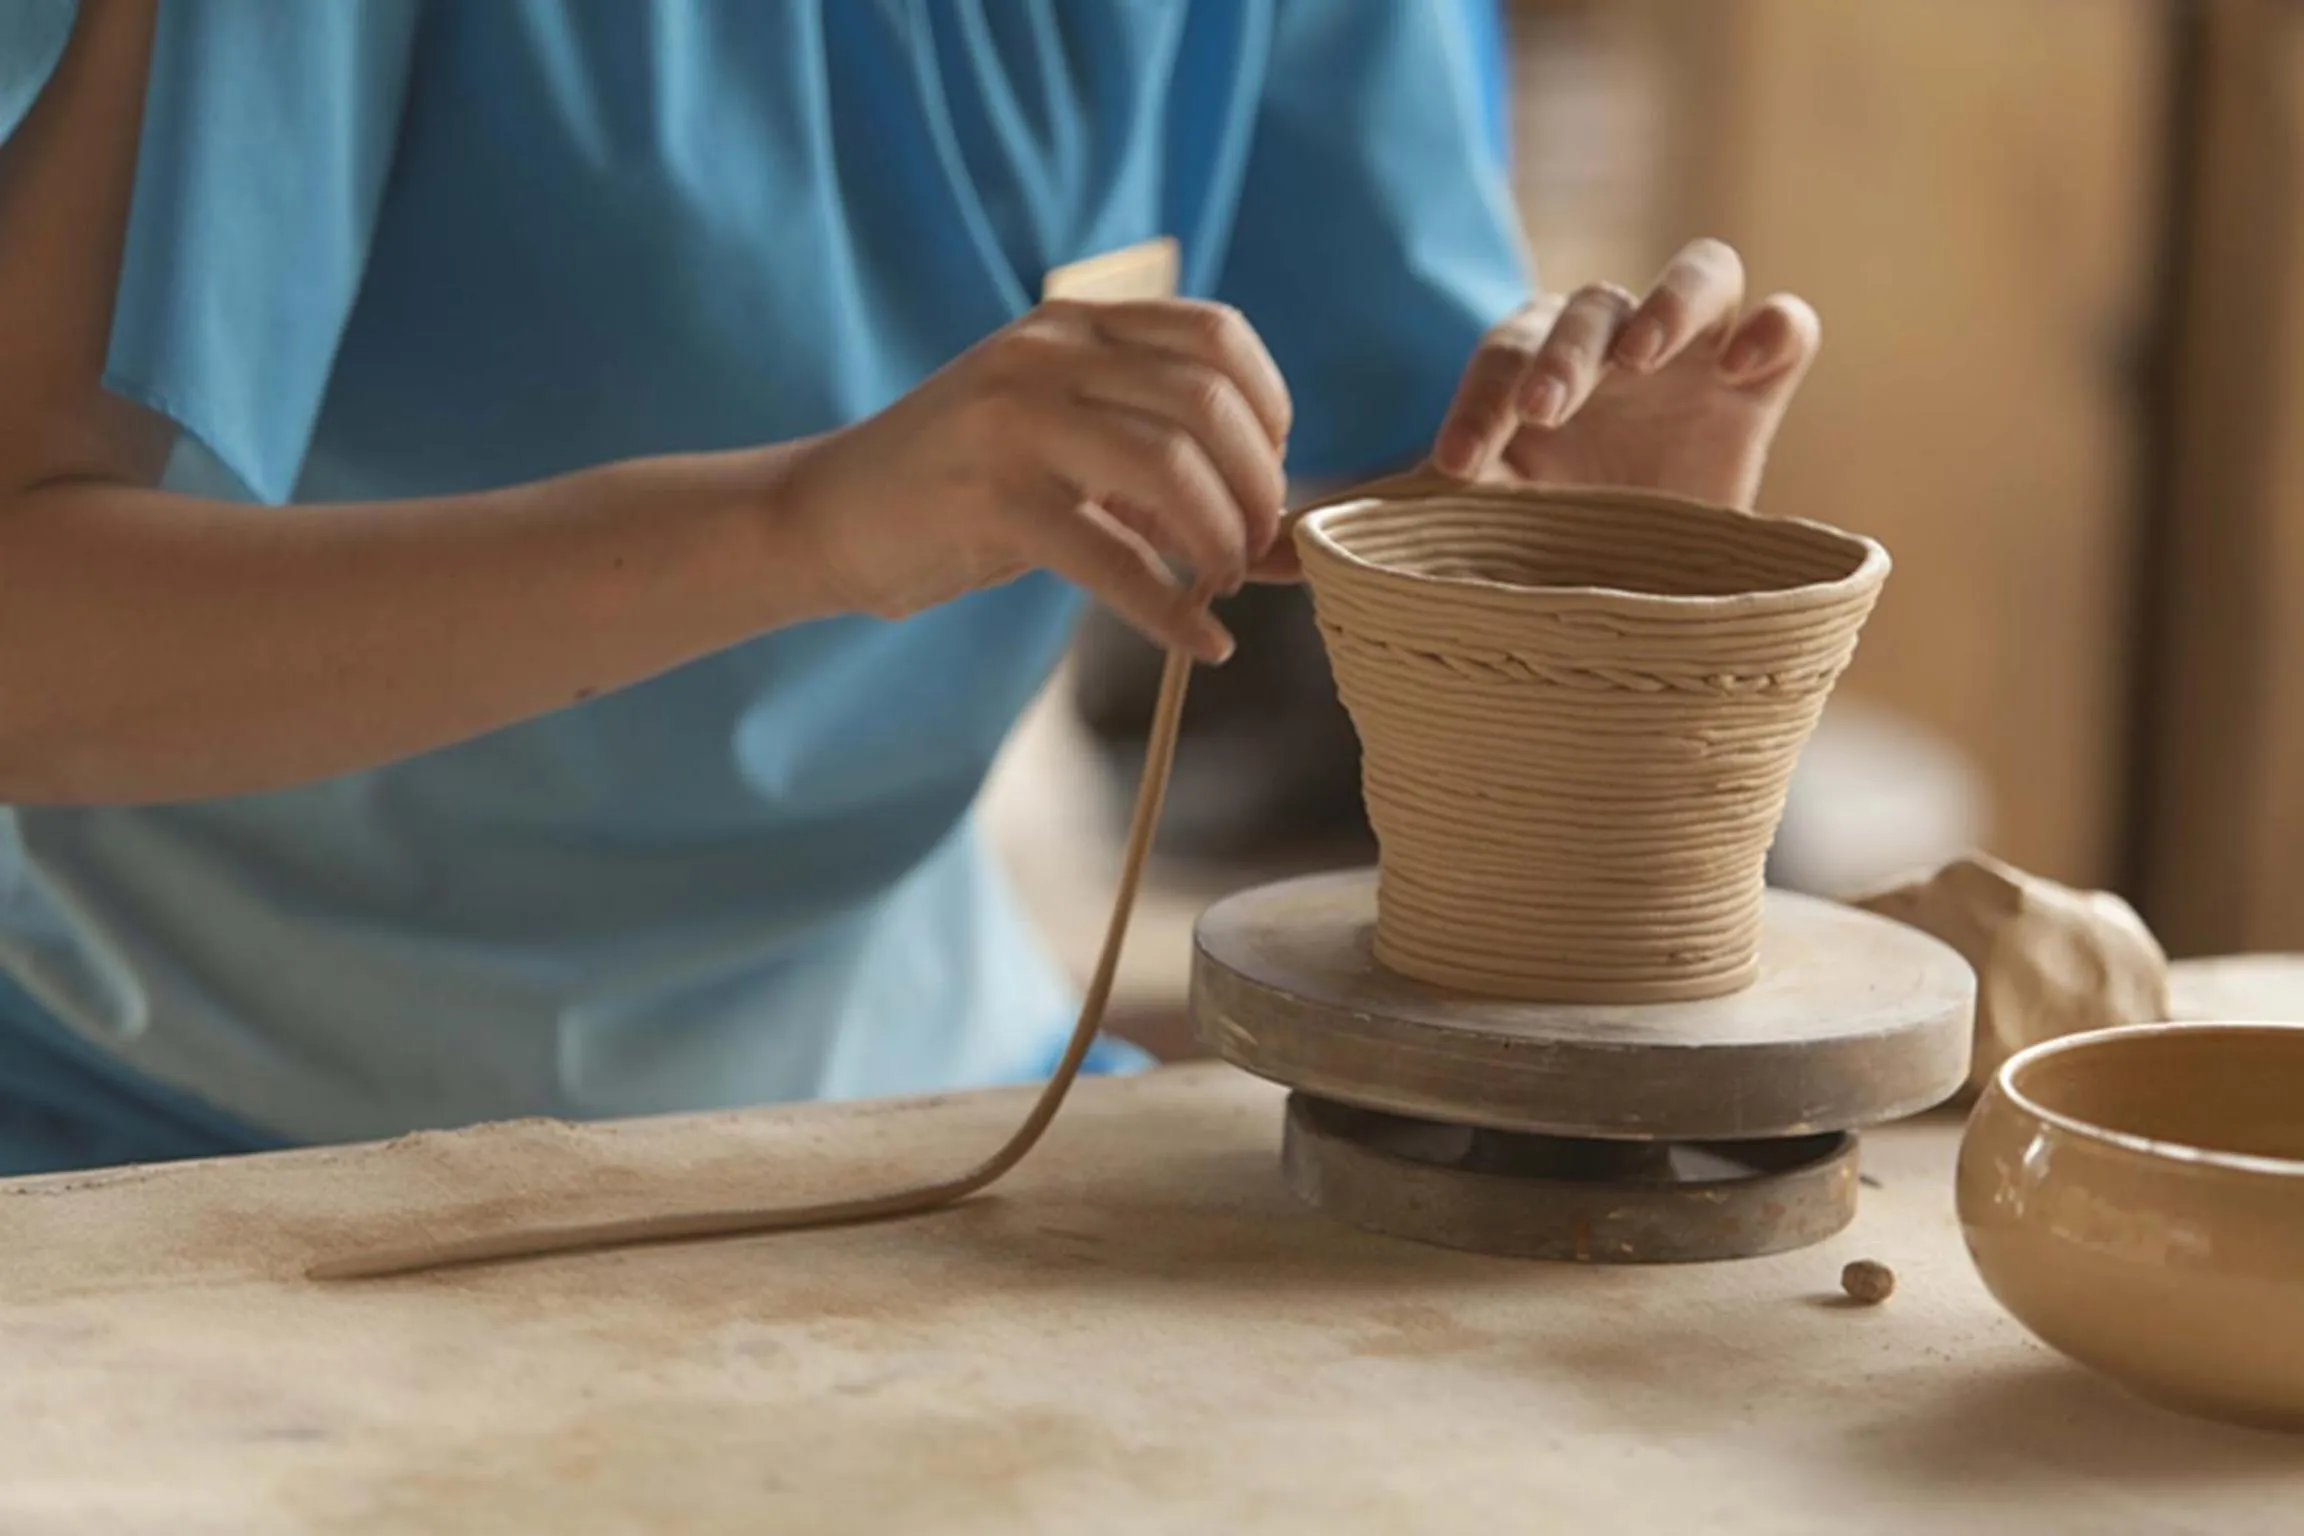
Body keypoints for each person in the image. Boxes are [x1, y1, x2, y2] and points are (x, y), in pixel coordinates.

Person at [0, 0, 1819, 1176]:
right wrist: (799, 525)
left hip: (924, 1098)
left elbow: (1347, 495)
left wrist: (1583, 567)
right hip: (195, 1099)